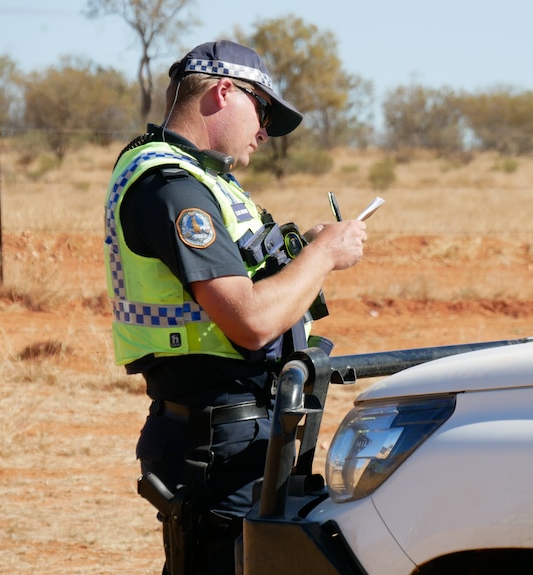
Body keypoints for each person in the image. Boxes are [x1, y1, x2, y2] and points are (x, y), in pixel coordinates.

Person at [102, 40, 367, 574]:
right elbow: (249, 322)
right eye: (263, 110)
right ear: (225, 92)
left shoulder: (204, 179)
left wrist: (301, 251)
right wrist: (322, 255)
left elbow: (248, 278)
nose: (264, 132)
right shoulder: (171, 186)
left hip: (241, 429)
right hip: (215, 444)